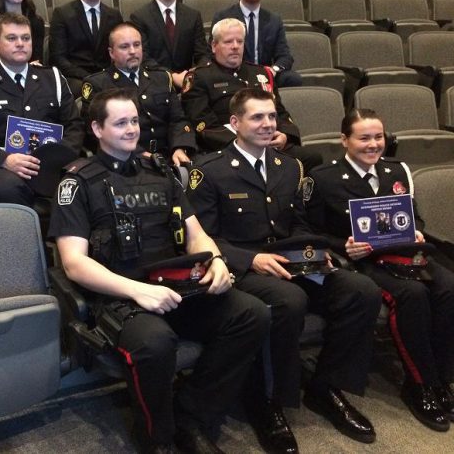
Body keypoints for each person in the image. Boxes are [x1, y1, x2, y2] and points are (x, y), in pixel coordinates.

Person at [48, 88, 270, 453]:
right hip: (120, 296)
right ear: (97, 129)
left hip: (174, 286)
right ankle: (158, 438)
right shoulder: (76, 182)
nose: (131, 129)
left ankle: (191, 413)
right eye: (120, 123)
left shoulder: (161, 171)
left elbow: (195, 232)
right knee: (155, 342)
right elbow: (74, 263)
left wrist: (214, 259)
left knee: (251, 314)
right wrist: (137, 291)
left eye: (134, 120)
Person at [187, 88, 382, 452]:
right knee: (289, 301)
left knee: (361, 291)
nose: (266, 124)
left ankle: (326, 387)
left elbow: (299, 224)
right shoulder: (209, 171)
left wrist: (316, 250)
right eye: (256, 117)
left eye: (271, 116)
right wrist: (250, 259)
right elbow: (202, 237)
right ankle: (266, 401)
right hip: (245, 269)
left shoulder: (289, 166)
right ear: (235, 123)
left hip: (293, 262)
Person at [307, 108, 454, 432]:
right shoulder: (323, 179)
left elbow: (414, 218)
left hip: (405, 253)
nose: (373, 144)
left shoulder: (396, 170)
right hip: (364, 261)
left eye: (378, 137)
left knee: (448, 286)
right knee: (412, 294)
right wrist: (342, 245)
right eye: (364, 138)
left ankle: (443, 378)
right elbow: (313, 232)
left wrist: (416, 231)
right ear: (344, 140)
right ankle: (420, 384)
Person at [0, 13, 84, 206]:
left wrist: (57, 157)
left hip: (53, 164)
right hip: (4, 167)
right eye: (12, 38)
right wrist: (4, 159)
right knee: (9, 188)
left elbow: (74, 125)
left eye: (26, 38)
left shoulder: (53, 78)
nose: (20, 44)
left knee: (87, 180)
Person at [181, 18, 319, 169]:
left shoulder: (261, 73)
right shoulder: (200, 77)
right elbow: (203, 123)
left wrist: (285, 135)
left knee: (313, 158)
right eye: (228, 42)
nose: (235, 47)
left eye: (239, 41)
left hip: (269, 145)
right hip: (229, 147)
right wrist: (244, 142)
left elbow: (280, 112)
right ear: (214, 46)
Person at [81, 23, 196, 165]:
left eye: (137, 45)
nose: (132, 51)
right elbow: (95, 133)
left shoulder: (162, 77)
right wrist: (140, 154)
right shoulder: (98, 84)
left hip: (169, 156)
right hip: (126, 159)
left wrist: (179, 147)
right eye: (124, 47)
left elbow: (178, 119)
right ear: (111, 53)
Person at [212, 0, 302, 88]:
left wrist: (273, 70)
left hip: (265, 75)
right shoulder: (223, 16)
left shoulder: (274, 20)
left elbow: (285, 56)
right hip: (234, 74)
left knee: (293, 78)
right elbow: (213, 53)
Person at [130, 0, 210, 89]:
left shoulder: (193, 16)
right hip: (153, 85)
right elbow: (143, 57)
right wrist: (172, 76)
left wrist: (192, 75)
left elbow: (202, 54)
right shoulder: (140, 17)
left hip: (188, 84)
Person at [49, 0, 123, 95]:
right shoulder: (62, 14)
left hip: (107, 78)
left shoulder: (114, 16)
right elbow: (58, 58)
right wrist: (89, 78)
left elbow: (118, 54)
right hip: (76, 79)